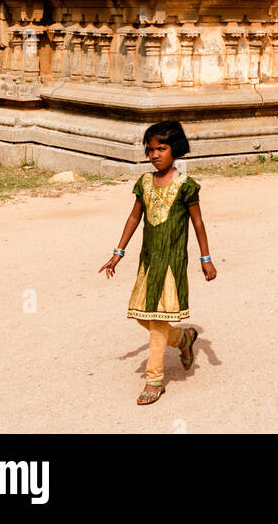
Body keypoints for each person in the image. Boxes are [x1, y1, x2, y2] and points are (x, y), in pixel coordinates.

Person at [99, 119, 217, 403]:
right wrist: (118, 253)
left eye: (161, 149)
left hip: (172, 262)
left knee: (158, 319)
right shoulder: (144, 183)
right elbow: (134, 217)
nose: (154, 155)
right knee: (141, 313)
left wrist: (206, 259)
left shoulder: (186, 186)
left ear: (175, 149)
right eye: (150, 149)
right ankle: (183, 339)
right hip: (148, 261)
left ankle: (154, 379)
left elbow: (198, 224)